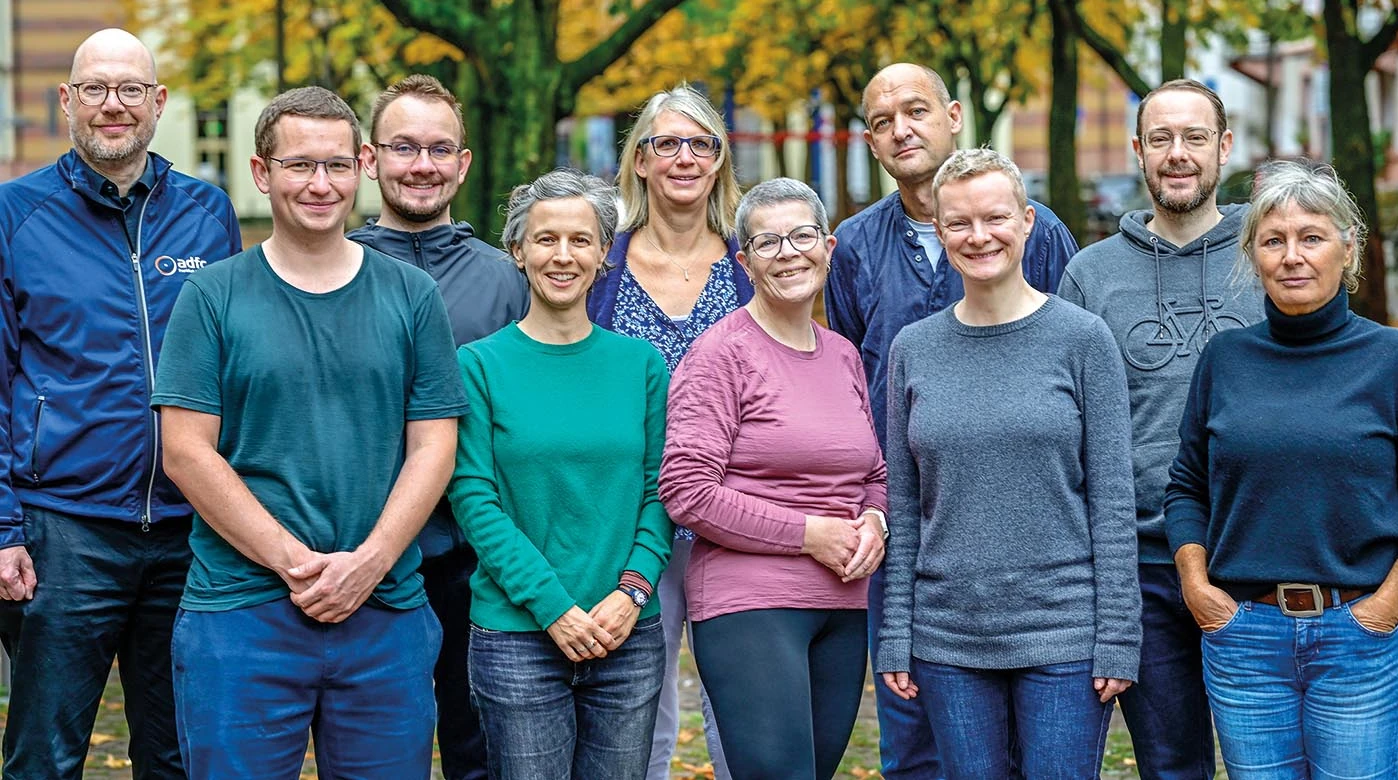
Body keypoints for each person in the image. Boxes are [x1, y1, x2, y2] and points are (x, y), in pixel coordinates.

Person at [154, 86, 466, 778]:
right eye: (298, 166)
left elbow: (434, 446)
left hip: (384, 609)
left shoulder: (412, 297)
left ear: (362, 166)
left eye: (334, 165)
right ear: (262, 174)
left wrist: (370, 562)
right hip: (244, 609)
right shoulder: (213, 296)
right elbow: (185, 452)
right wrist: (299, 565)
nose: (319, 184)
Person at [824, 63, 1079, 778]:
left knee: (1034, 742)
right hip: (906, 525)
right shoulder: (855, 248)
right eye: (882, 121)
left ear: (956, 115)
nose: (901, 129)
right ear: (871, 143)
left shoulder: (1040, 230)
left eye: (916, 110)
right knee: (915, 739)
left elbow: (1063, 352)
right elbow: (856, 381)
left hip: (1026, 525)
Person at [0, 28, 241, 779]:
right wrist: (3, 524)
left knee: (177, 755)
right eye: (96, 89)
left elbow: (234, 369)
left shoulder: (208, 213)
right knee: (44, 755)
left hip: (188, 532)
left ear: (158, 102)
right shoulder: (16, 215)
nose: (114, 105)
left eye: (130, 89)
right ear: (68, 101)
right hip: (62, 533)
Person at [877, 149, 1140, 779]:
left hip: (1065, 633)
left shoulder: (1082, 339)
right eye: (959, 223)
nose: (978, 236)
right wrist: (895, 633)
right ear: (940, 233)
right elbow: (905, 505)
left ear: (1026, 221)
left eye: (994, 218)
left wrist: (1118, 635)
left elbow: (1112, 497)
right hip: (948, 638)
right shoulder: (913, 350)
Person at [1164, 160, 1398, 778]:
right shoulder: (1225, 359)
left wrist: (1387, 608)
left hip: (1361, 637)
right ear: (1254, 257)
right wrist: (1197, 587)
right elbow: (1187, 486)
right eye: (1273, 240)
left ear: (1348, 250)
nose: (1293, 256)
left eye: (1312, 237)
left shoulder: (1389, 360)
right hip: (1245, 638)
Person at [1057, 78, 1262, 779]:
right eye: (1163, 139)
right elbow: (1067, 423)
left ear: (1224, 148)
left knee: (1271, 762)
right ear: (1139, 151)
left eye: (1195, 137)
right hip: (1138, 563)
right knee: (1173, 766)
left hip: (1258, 556)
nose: (1179, 154)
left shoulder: (1272, 260)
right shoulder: (1088, 275)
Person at [660, 177, 887, 780]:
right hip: (751, 603)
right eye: (768, 242)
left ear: (829, 247)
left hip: (844, 602)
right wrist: (810, 534)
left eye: (802, 235)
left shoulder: (843, 355)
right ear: (746, 262)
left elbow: (875, 471)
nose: (789, 252)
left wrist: (875, 519)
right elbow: (687, 491)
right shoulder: (720, 356)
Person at [449, 168, 673, 780]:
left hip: (627, 633)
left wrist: (632, 592)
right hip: (516, 636)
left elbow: (661, 490)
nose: (563, 255)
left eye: (581, 239)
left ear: (604, 254)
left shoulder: (641, 364)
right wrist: (553, 606)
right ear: (517, 251)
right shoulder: (480, 365)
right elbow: (474, 498)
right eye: (546, 239)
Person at [348, 73, 528, 780]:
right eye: (403, 147)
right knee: (372, 749)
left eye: (438, 148)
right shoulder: (335, 270)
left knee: (476, 746)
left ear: (463, 162)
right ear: (370, 159)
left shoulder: (506, 280)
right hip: (364, 553)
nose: (421, 164)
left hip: (476, 559)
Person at [588, 83, 748, 780]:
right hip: (630, 518)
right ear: (640, 161)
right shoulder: (601, 265)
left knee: (740, 702)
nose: (684, 158)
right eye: (666, 144)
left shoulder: (751, 261)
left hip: (735, 516)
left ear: (718, 160)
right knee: (636, 706)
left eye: (700, 144)